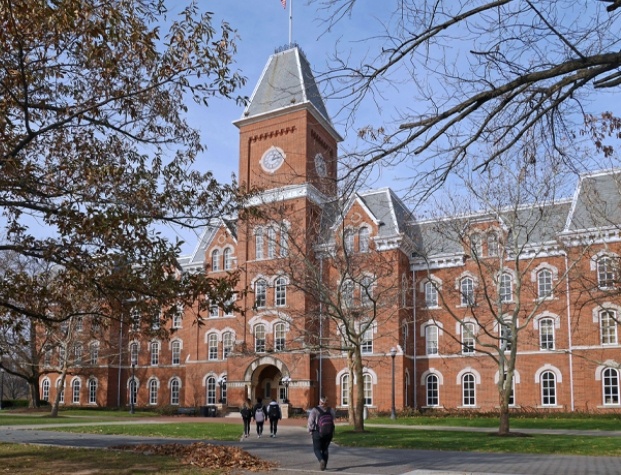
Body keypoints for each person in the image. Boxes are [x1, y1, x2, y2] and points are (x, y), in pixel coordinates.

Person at [307, 396, 336, 471]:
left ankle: (321, 460)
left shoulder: (315, 410)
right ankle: (324, 465)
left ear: (320, 402)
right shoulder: (331, 410)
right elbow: (333, 419)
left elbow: (310, 421)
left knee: (317, 449)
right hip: (329, 432)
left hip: (317, 432)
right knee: (325, 449)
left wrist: (310, 430)